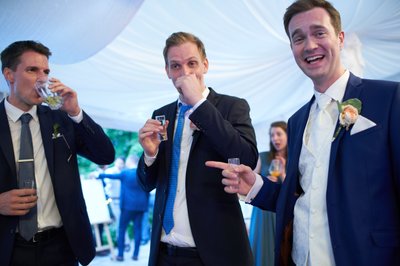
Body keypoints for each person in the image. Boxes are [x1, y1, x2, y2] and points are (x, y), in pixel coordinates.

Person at [206, 0, 400, 265]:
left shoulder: (388, 99)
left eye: (319, 33)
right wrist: (255, 186)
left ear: (340, 38)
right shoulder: (296, 121)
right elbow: (303, 197)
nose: (309, 45)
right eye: (299, 38)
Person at [137, 32, 258, 266]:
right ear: (167, 71)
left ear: (205, 65)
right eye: (176, 66)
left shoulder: (232, 107)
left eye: (192, 63)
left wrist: (201, 108)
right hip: (164, 252)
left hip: (215, 253)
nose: (185, 73)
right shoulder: (161, 115)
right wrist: (150, 155)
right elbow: (147, 184)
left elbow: (247, 158)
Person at [0, 40, 115, 266]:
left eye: (46, 71)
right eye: (32, 70)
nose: (42, 78)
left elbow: (105, 156)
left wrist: (76, 112)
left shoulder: (61, 118)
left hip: (61, 248)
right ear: (9, 74)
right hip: (8, 249)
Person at [249, 121, 287, 266]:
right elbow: (251, 181)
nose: (275, 138)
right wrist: (264, 180)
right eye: (272, 135)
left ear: (288, 135)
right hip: (263, 213)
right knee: (263, 247)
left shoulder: (294, 159)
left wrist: (283, 175)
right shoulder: (263, 156)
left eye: (279, 134)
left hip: (282, 210)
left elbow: (296, 189)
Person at [98, 154, 149, 262]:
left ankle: (120, 255)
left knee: (121, 229)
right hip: (141, 206)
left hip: (127, 207)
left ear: (130, 161)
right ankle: (135, 255)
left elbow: (111, 177)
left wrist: (99, 175)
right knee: (137, 229)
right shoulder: (143, 173)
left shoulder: (125, 173)